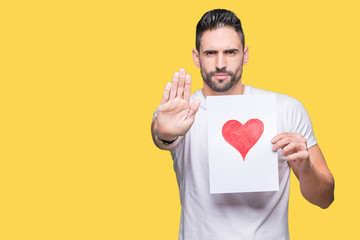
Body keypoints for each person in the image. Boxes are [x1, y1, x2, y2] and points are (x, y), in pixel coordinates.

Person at [151, 9, 334, 240]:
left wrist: (306, 166)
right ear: (196, 57)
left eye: (230, 52)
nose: (220, 63)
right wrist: (163, 133)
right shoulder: (180, 112)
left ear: (245, 54)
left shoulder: (285, 109)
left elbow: (325, 198)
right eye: (210, 53)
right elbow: (161, 134)